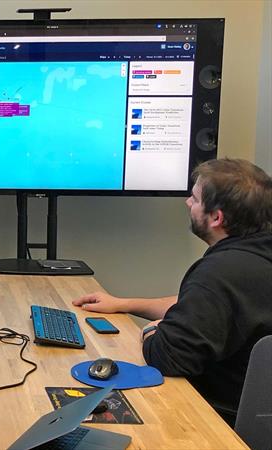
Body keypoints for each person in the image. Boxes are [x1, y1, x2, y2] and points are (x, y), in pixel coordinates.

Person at [73, 158, 272, 426]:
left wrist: (152, 330)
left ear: (216, 217)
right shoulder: (256, 257)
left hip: (218, 419)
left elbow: (170, 358)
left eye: (195, 198)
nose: (188, 203)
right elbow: (203, 307)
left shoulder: (218, 273)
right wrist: (125, 304)